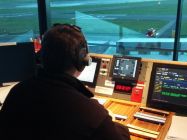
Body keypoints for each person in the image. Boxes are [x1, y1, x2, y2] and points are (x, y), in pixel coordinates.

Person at [0, 24, 130, 140]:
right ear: (82, 61)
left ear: (41, 57)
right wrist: (111, 122)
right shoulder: (92, 114)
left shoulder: (17, 92)